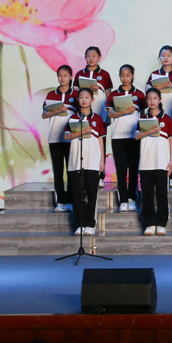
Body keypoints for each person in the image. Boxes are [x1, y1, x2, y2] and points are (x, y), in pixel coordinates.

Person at [64, 87, 107, 236]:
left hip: (93, 161)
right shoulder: (73, 119)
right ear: (77, 100)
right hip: (76, 161)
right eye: (81, 97)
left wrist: (102, 160)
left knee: (92, 193)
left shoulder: (98, 119)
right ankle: (80, 224)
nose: (84, 100)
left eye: (87, 97)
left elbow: (101, 140)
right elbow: (66, 136)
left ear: (92, 100)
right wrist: (81, 132)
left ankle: (90, 224)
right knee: (77, 194)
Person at [135, 88, 172, 236]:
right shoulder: (142, 118)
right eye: (149, 98)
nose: (152, 101)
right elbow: (136, 136)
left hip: (162, 162)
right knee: (146, 195)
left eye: (155, 98)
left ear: (160, 100)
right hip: (146, 162)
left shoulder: (167, 119)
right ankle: (149, 223)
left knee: (161, 194)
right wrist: (150, 131)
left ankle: (161, 223)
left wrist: (171, 160)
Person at [107, 64, 143, 213]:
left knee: (134, 169)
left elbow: (144, 115)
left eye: (128, 75)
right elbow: (110, 114)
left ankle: (132, 198)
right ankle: (123, 200)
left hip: (134, 136)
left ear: (133, 75)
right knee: (121, 170)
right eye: (122, 75)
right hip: (118, 136)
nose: (125, 78)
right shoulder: (114, 94)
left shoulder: (140, 95)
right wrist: (125, 111)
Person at [43, 65, 77, 213]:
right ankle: (60, 202)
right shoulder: (51, 94)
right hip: (54, 139)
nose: (62, 78)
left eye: (65, 75)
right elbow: (44, 114)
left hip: (70, 139)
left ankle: (70, 201)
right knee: (58, 172)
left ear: (71, 77)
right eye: (60, 75)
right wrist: (56, 111)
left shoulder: (76, 95)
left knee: (71, 172)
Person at [146, 45, 172, 118]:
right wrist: (163, 86)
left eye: (168, 56)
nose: (165, 58)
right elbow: (147, 91)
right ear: (159, 57)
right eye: (163, 56)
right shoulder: (154, 74)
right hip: (157, 111)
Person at [78, 45, 114, 115]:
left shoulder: (105, 74)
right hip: (83, 110)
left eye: (94, 56)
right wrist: (89, 89)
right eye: (88, 56)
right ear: (85, 57)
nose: (91, 58)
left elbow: (108, 95)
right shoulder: (80, 74)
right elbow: (75, 93)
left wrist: (109, 111)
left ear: (99, 57)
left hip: (100, 109)